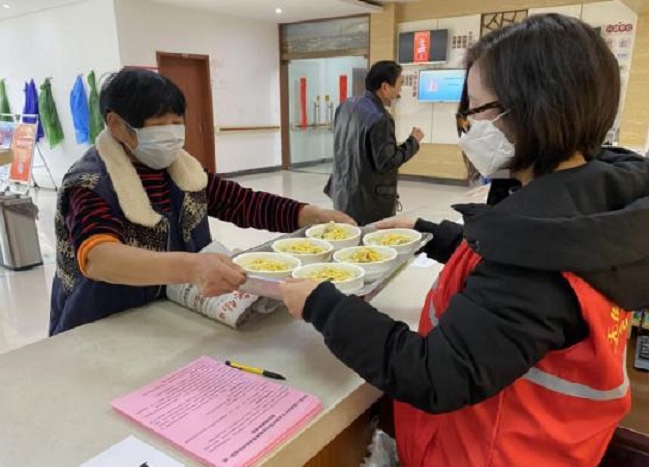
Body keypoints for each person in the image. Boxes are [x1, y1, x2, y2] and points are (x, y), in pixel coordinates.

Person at [281, 14, 649, 466]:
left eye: (475, 109)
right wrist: (428, 233)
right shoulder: (589, 211)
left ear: (530, 109)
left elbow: (434, 373)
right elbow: (502, 266)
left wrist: (322, 305)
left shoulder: (541, 252)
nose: (468, 125)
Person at [50, 68, 353, 335]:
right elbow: (99, 259)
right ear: (117, 124)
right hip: (103, 322)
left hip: (167, 315)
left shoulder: (182, 170)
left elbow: (241, 202)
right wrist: (192, 267)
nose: (171, 135)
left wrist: (310, 215)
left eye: (176, 122)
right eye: (159, 124)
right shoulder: (90, 183)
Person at [324, 60, 424, 226]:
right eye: (399, 84)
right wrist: (413, 141)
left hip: (342, 194)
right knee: (368, 240)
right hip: (368, 203)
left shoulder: (345, 106)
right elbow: (387, 162)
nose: (400, 91)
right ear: (385, 87)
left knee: (348, 234)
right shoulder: (380, 118)